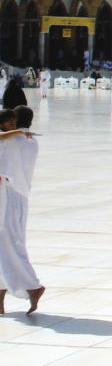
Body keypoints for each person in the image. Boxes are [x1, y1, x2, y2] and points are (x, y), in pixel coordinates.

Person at [0, 106, 44, 315]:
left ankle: (32, 285)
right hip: (19, 196)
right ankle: (1, 299)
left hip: (7, 195)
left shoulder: (12, 140)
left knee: (8, 245)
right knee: (9, 244)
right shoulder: (32, 141)